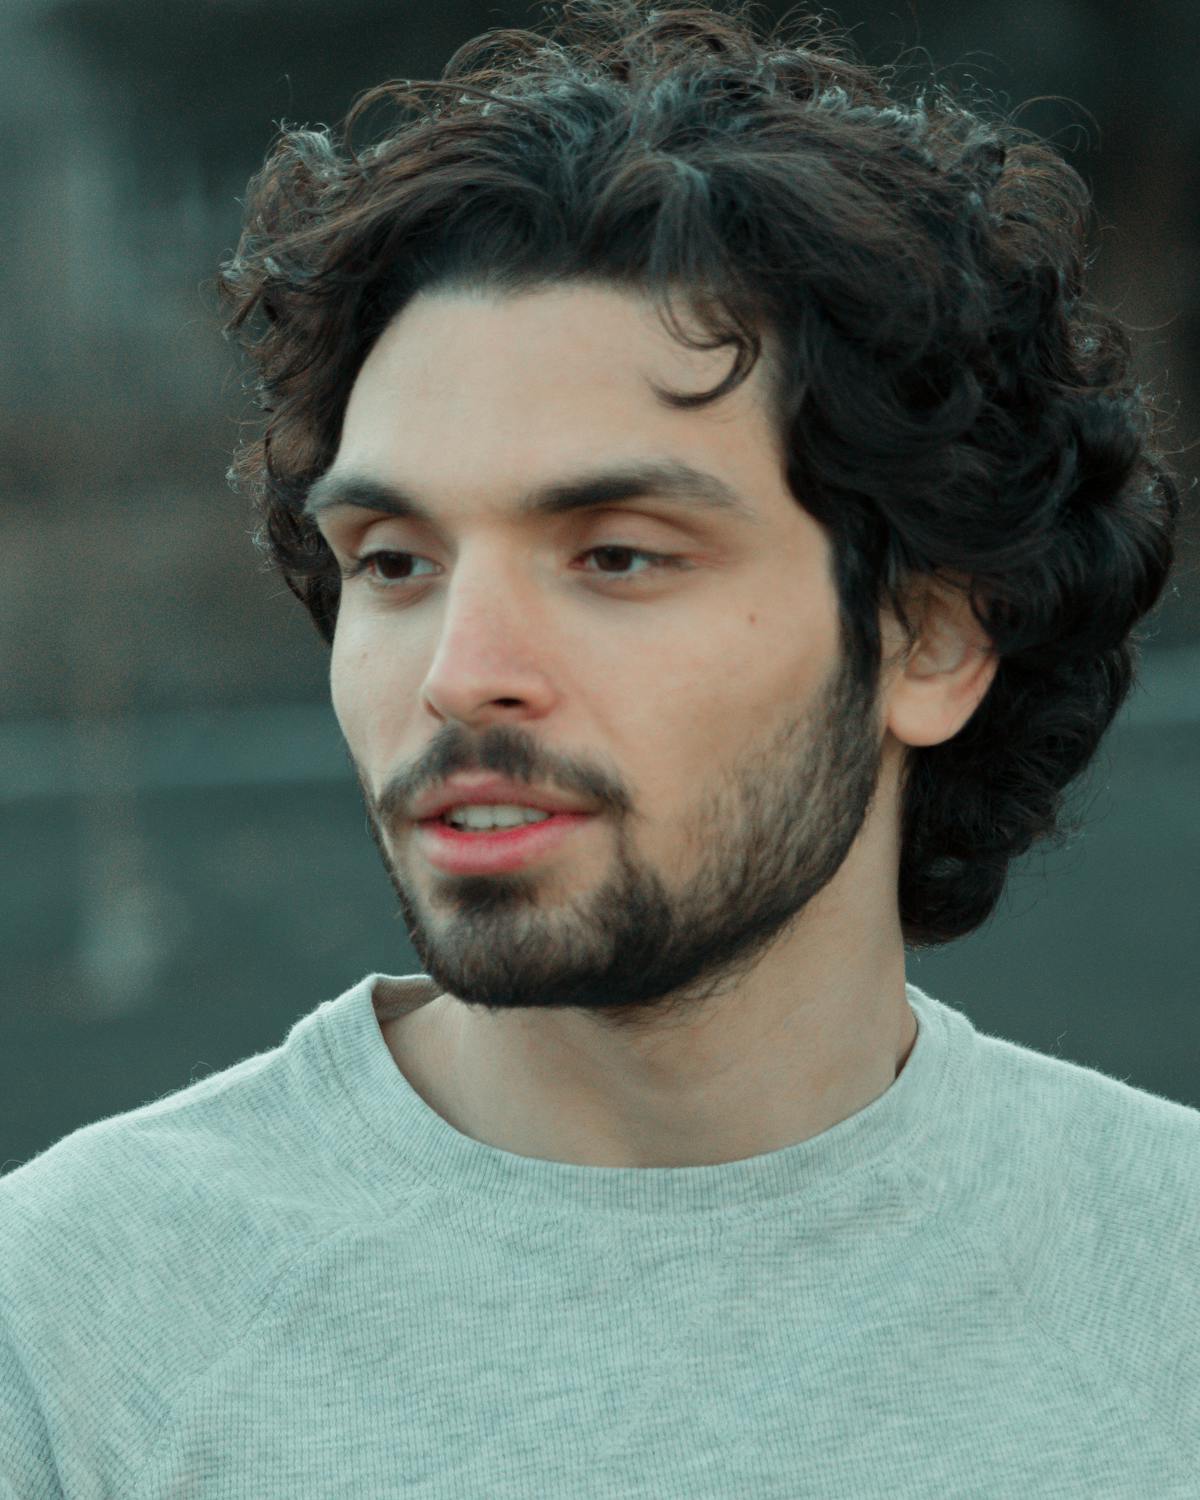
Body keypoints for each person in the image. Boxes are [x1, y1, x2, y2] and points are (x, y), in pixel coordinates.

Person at [2, 2, 1194, 1495]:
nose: (459, 679)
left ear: (930, 639)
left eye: (618, 554)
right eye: (392, 562)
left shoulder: (1169, 1293)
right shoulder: (69, 1331)